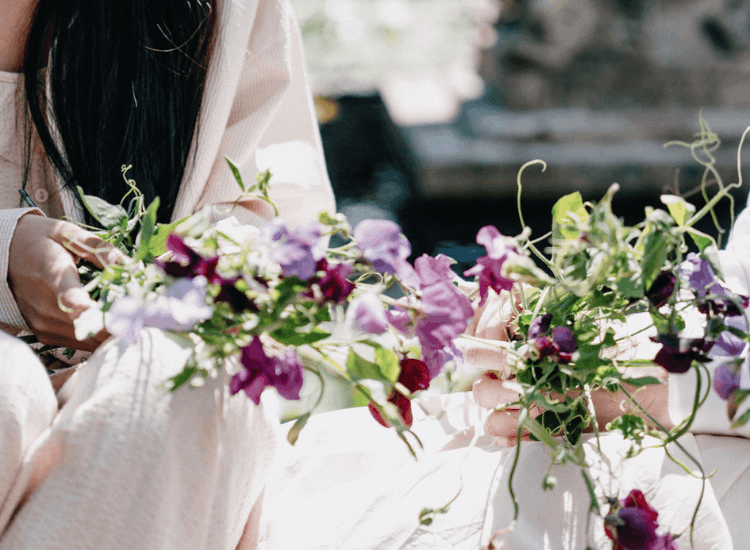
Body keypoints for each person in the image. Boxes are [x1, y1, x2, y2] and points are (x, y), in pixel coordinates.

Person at [0, 0, 334, 548]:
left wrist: (186, 278)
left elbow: (276, 213)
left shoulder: (223, 11)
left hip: (151, 374)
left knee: (178, 384)